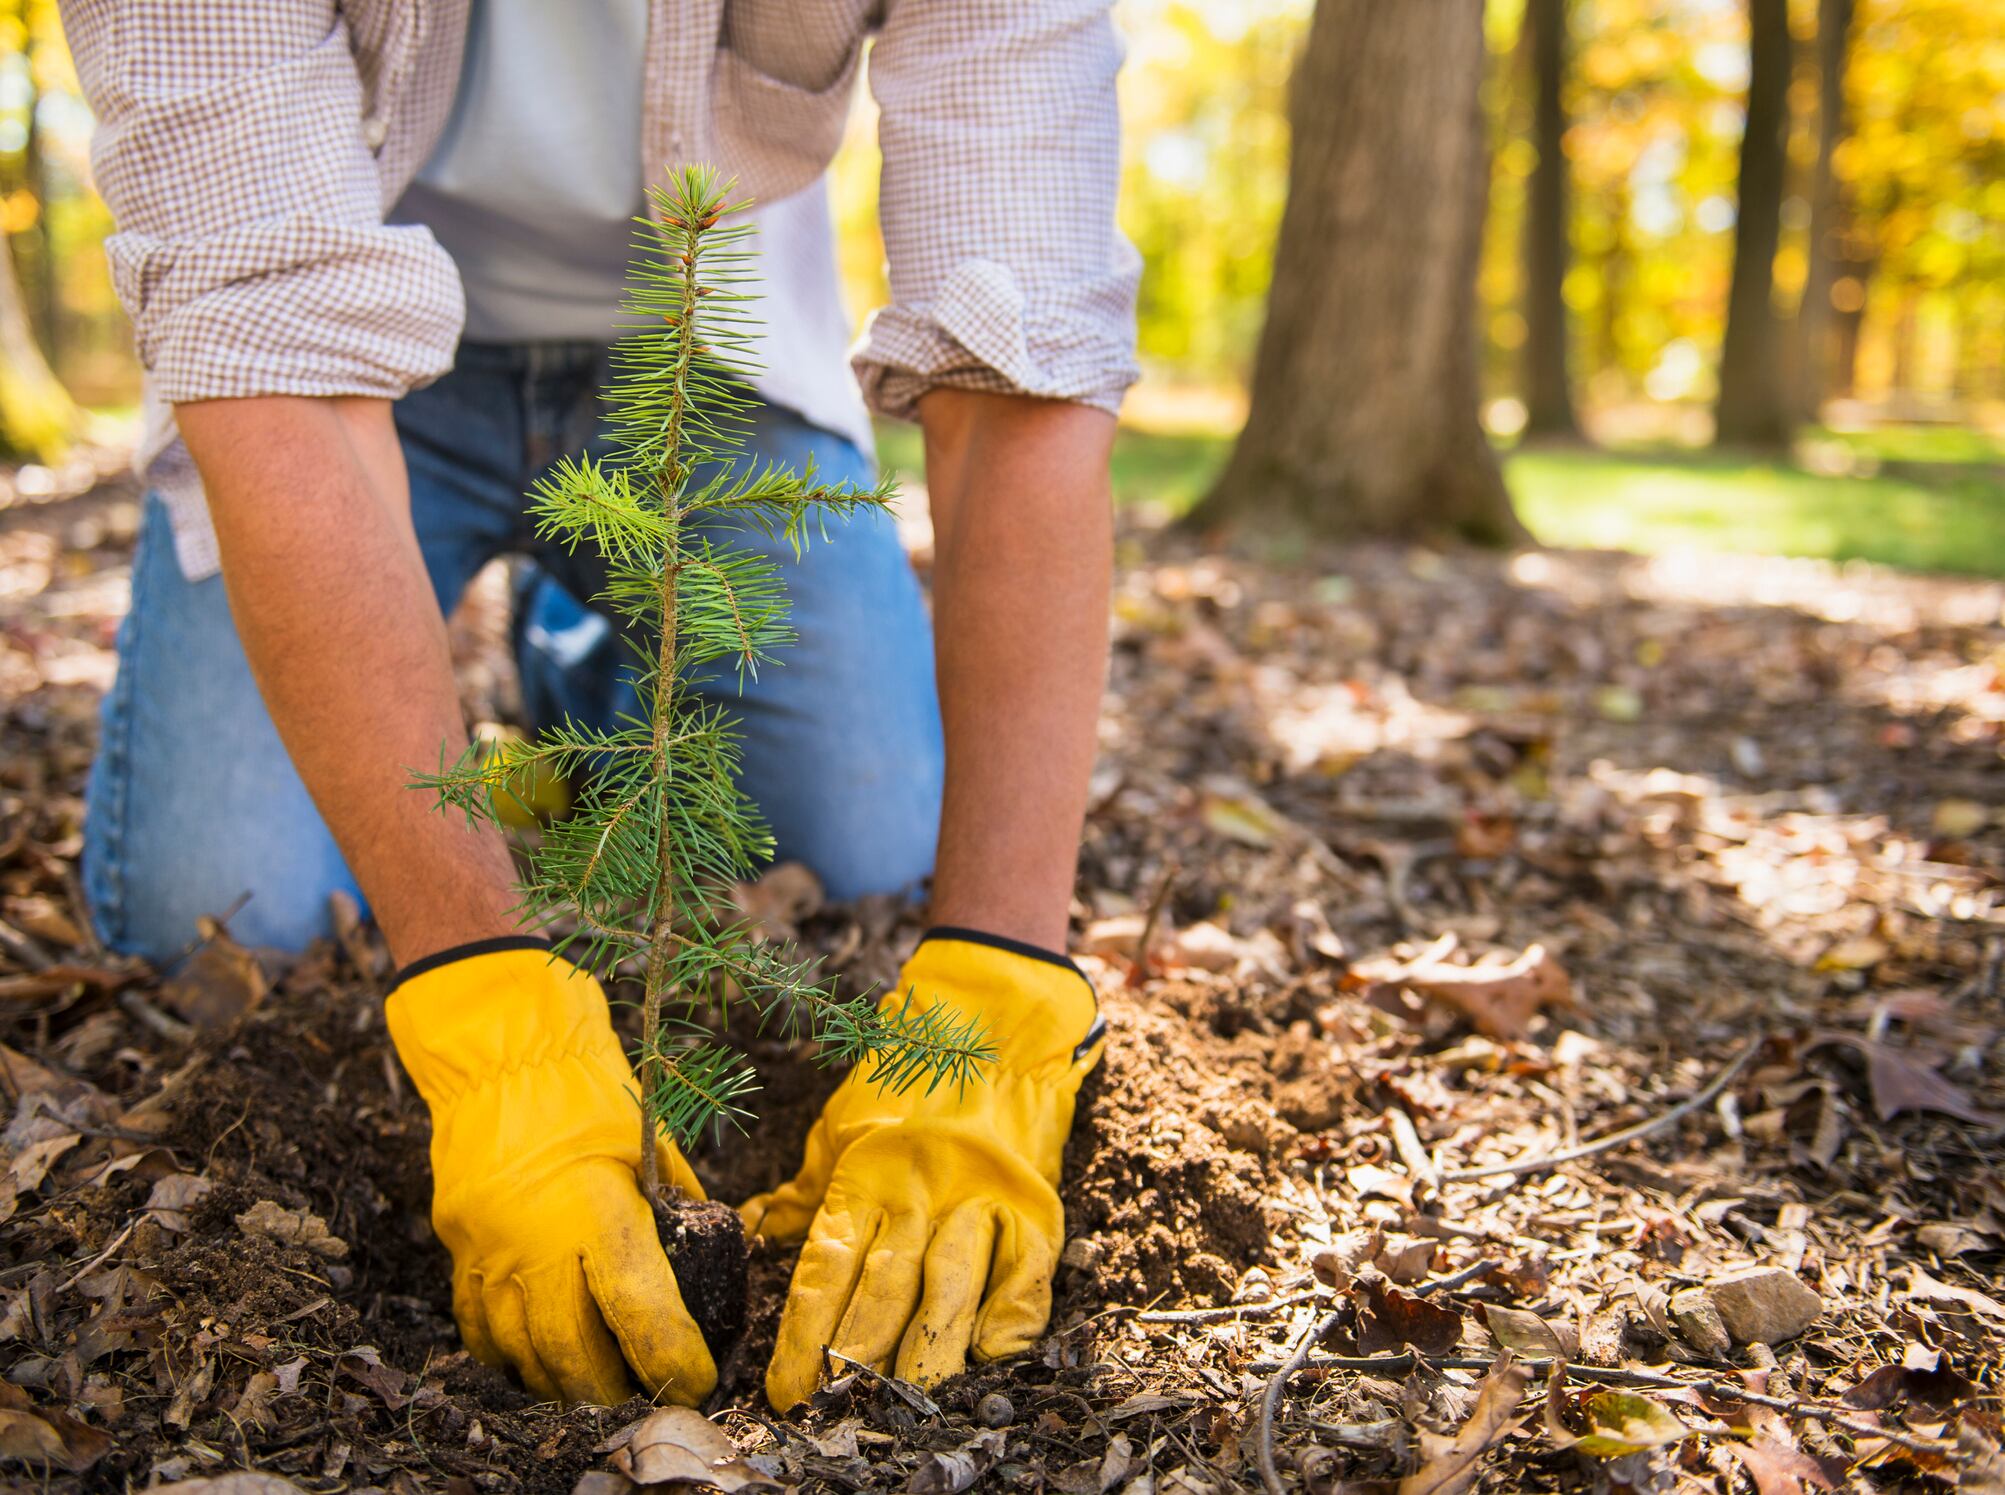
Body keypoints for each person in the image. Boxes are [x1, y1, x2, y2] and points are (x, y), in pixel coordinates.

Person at [61, 0, 1137, 1412]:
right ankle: (537, 685)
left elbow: (1027, 357)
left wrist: (1004, 972)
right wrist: (476, 988)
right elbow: (268, 344)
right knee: (217, 910)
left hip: (710, 347)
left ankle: (585, 679)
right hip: (336, 350)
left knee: (870, 841)